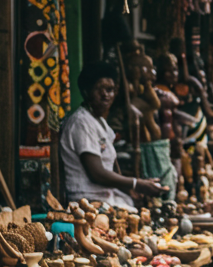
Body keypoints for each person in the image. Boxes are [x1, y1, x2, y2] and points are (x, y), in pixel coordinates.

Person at [59, 61, 165, 210]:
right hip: (86, 202)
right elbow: (97, 173)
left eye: (110, 90)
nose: (105, 95)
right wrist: (136, 183)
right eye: (99, 89)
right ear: (86, 92)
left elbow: (112, 166)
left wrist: (131, 189)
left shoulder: (100, 122)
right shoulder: (81, 122)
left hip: (105, 197)